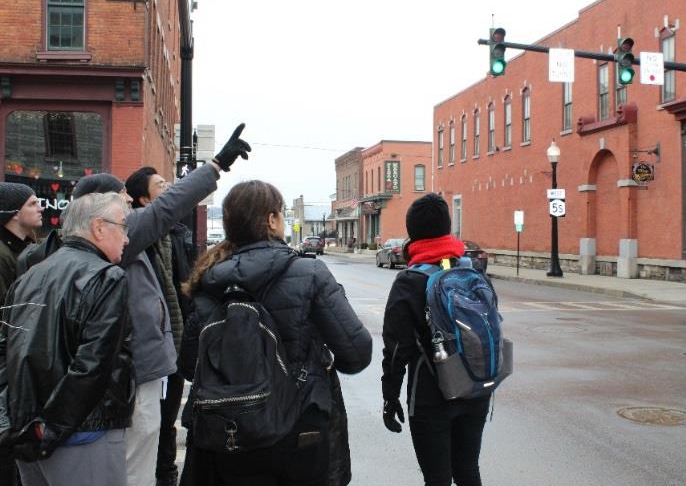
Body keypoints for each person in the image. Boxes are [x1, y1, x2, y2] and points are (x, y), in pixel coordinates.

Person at [65, 124, 251, 486]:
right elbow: (167, 208)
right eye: (121, 197)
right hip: (133, 374)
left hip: (132, 372)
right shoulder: (114, 238)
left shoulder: (69, 250)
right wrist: (214, 166)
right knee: (135, 465)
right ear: (97, 213)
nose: (129, 204)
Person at [181, 180, 372, 486]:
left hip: (229, 434)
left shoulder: (208, 279)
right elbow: (357, 354)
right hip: (300, 431)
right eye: (280, 214)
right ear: (271, 220)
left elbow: (190, 364)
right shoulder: (309, 273)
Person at [0, 192, 134, 486]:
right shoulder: (107, 277)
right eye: (123, 226)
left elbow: (6, 353)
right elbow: (93, 365)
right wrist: (48, 430)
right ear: (99, 227)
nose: (126, 238)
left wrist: (17, 423)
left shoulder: (29, 276)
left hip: (31, 430)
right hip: (81, 433)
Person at [381, 193, 492, 486]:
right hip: (477, 388)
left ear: (412, 233)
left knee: (438, 479)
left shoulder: (409, 281)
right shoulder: (472, 271)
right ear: (447, 227)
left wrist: (389, 397)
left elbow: (396, 350)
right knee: (468, 470)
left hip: (432, 395)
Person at [125, 167, 189, 486]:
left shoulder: (173, 236)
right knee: (151, 425)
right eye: (160, 185)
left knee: (165, 423)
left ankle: (166, 475)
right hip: (149, 352)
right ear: (143, 199)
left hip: (171, 344)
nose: (168, 188)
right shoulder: (135, 241)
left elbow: (182, 289)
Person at [0, 182, 43, 486]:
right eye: (32, 203)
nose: (40, 207)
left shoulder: (25, 249)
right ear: (13, 214)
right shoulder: (4, 255)